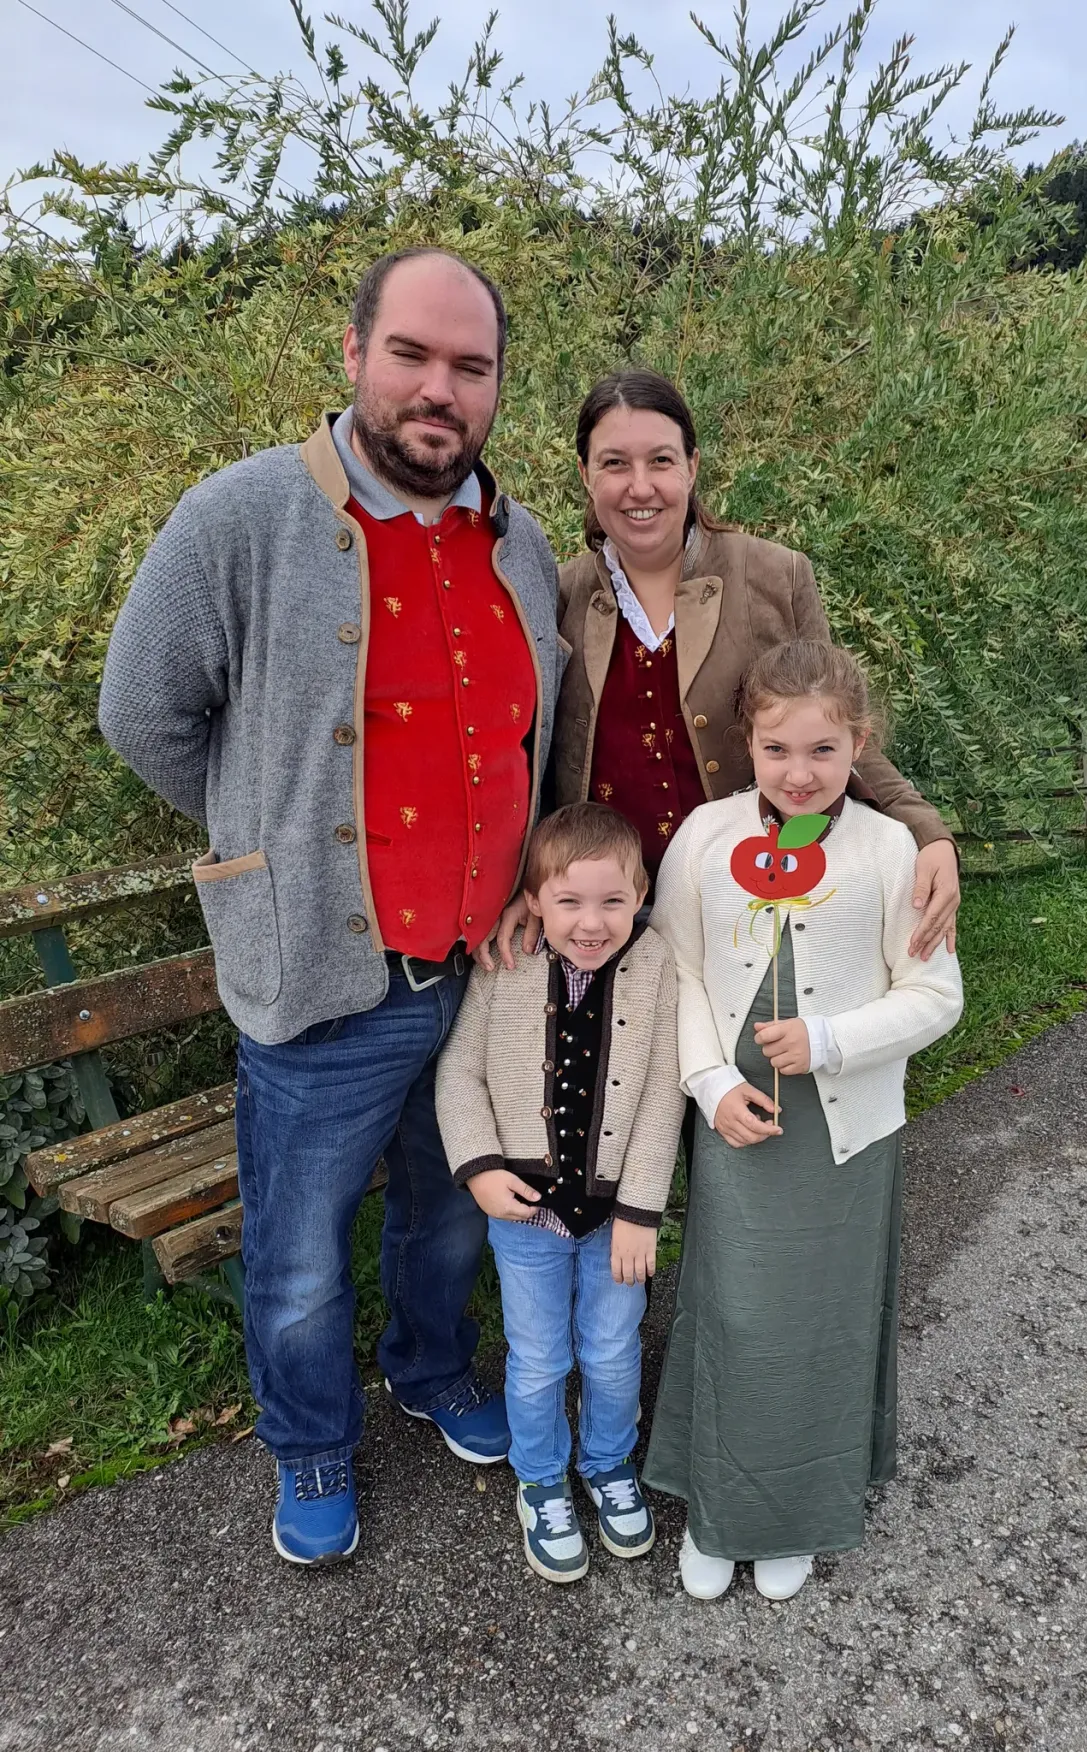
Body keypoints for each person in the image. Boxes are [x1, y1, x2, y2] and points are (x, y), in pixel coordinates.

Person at [98, 248, 568, 1566]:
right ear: (353, 354)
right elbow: (142, 714)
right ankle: (308, 1442)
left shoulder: (517, 541)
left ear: (494, 389)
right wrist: (265, 841)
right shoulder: (239, 519)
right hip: (316, 982)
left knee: (450, 1208)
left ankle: (429, 1368)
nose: (439, 389)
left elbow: (533, 735)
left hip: (478, 973)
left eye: (469, 368)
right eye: (412, 355)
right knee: (299, 1255)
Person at [646, 638, 964, 1601]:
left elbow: (934, 995)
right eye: (779, 749)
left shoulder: (888, 848)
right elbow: (681, 969)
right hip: (740, 1121)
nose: (799, 772)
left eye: (824, 751)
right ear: (748, 740)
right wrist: (707, 1082)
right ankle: (722, 1509)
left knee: (818, 1324)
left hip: (842, 1133)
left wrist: (828, 1040)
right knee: (738, 1314)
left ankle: (792, 1512)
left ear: (858, 745)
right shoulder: (704, 836)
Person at [488, 367, 959, 969]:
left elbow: (835, 726)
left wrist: (927, 831)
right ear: (585, 475)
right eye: (614, 464)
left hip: (750, 901)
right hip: (606, 918)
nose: (640, 486)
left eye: (660, 460)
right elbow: (534, 759)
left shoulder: (775, 576)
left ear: (692, 466)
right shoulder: (558, 596)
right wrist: (529, 880)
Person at [435, 803, 685, 1583]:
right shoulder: (504, 967)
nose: (591, 921)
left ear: (640, 893)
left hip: (618, 1219)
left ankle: (607, 1466)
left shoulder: (657, 965)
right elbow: (459, 1075)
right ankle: (542, 1479)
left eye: (613, 901)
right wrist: (478, 1167)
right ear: (534, 900)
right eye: (569, 901)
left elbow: (661, 1096)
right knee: (539, 1356)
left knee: (611, 1352)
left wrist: (643, 1211)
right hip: (526, 1215)